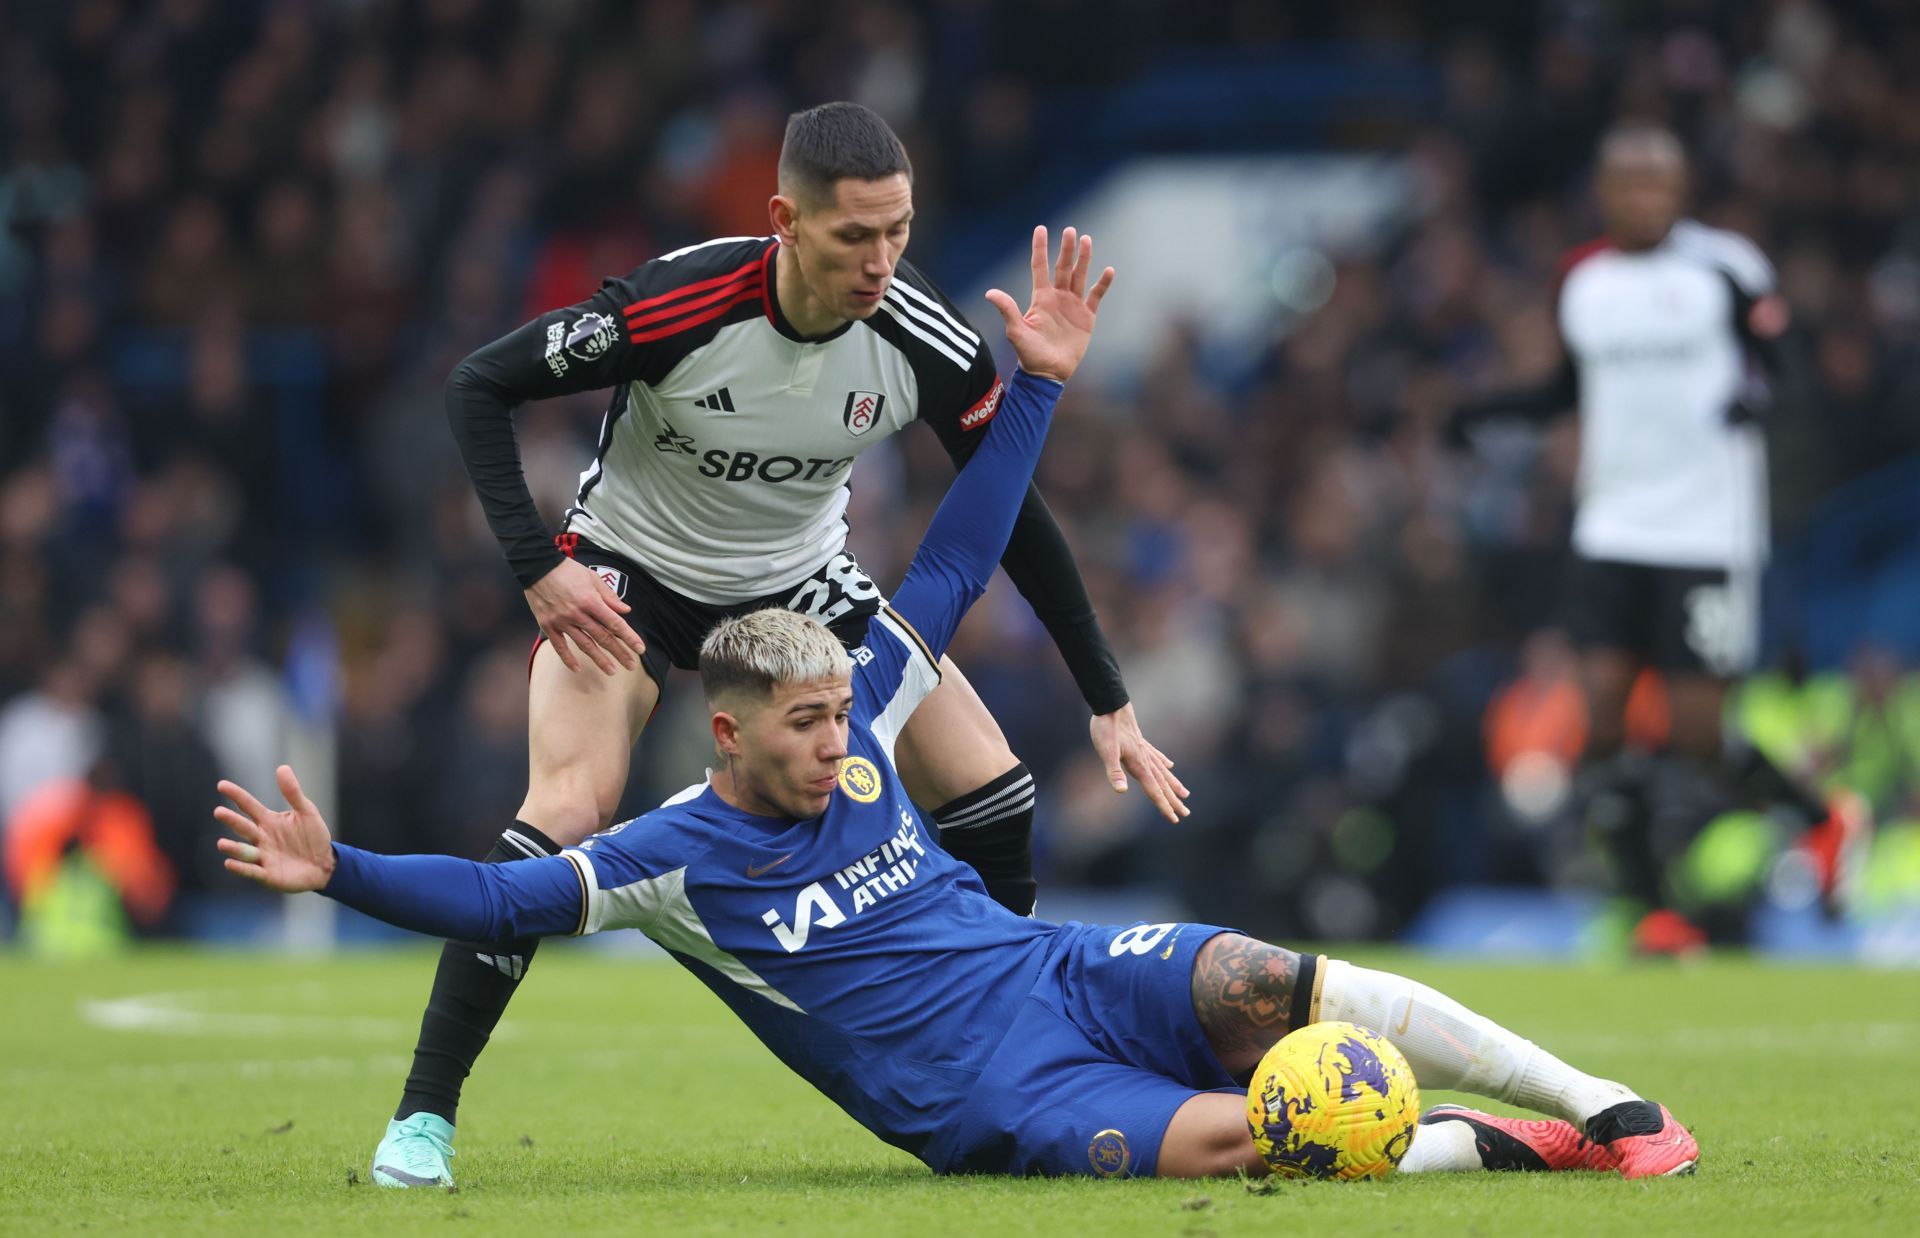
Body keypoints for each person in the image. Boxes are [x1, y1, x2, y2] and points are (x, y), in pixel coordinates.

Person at [220, 230, 1698, 1181]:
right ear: (725, 735)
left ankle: (1603, 1099)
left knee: (1260, 968)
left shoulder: (853, 699)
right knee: (1276, 1136)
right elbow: (497, 894)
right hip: (971, 1068)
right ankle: (426, 1113)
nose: (842, 745)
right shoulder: (673, 857)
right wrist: (335, 863)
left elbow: (962, 550)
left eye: (836, 720)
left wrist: (1040, 390)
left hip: (1045, 967)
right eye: (806, 730)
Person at [391, 102, 1189, 1182]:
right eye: (854, 235)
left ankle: (999, 1045)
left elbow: (1007, 509)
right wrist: (540, 567)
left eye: (898, 231)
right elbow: (476, 383)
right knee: (566, 811)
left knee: (996, 793)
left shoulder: (921, 335)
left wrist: (1105, 691)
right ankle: (424, 1118)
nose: (881, 261)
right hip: (631, 576)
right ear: (784, 219)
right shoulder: (679, 302)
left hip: (801, 586)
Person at [1450, 122, 1862, 950]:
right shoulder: (1584, 281)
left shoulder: (1726, 270)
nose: (1643, 193)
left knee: (1696, 732)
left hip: (1705, 532)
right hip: (1611, 525)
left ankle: (1822, 822)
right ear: (1604, 193)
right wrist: (1488, 412)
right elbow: (1571, 389)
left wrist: (1754, 402)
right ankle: (1655, 909)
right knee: (1597, 713)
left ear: (1681, 189)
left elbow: (1783, 369)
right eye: (1627, 180)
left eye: (1658, 179)